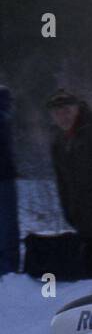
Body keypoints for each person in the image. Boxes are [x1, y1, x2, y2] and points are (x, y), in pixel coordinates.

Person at [47, 89, 92, 280]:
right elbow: (62, 182)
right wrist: (68, 211)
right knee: (89, 276)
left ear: (77, 109)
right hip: (81, 216)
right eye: (57, 113)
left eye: (67, 111)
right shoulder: (58, 142)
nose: (63, 117)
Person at [0, 86, 18, 275]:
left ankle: (8, 272)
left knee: (7, 229)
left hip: (4, 177)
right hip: (6, 176)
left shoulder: (2, 101)